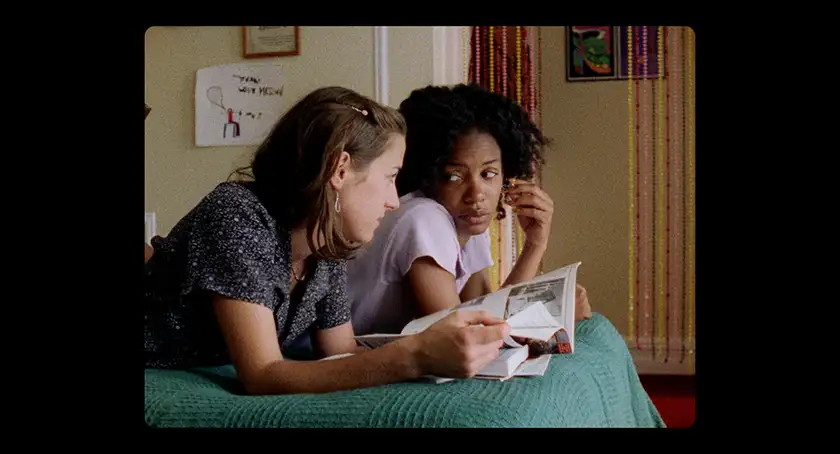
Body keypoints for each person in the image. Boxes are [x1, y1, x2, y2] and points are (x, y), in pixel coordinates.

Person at [143, 86, 511, 395]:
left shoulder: (327, 244)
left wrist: (435, 347)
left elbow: (341, 351)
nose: (393, 200)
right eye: (389, 177)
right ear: (340, 170)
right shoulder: (237, 214)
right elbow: (263, 373)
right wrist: (415, 356)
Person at [346, 83, 592, 342]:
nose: (476, 195)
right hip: (347, 358)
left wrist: (535, 243)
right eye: (454, 176)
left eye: (488, 174)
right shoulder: (423, 218)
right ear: (427, 175)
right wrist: (554, 316)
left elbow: (487, 313)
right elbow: (465, 338)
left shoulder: (464, 223)